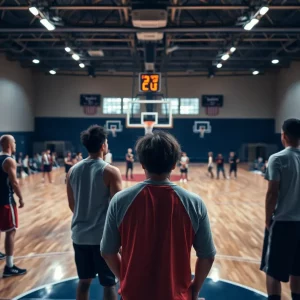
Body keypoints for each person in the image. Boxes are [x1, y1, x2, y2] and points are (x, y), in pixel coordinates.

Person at [101, 131, 216, 300]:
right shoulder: (194, 203)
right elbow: (207, 256)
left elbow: (107, 251)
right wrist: (195, 290)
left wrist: (125, 277)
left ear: (142, 164)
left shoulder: (120, 201)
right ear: (174, 165)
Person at [67, 125, 122, 300]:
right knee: (109, 284)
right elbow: (117, 209)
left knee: (84, 282)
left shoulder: (72, 170)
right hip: (102, 238)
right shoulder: (111, 171)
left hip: (79, 236)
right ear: (103, 146)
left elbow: (72, 206)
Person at [260, 118, 300, 300]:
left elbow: (272, 193)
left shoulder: (277, 158)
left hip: (283, 222)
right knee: (297, 269)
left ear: (283, 135)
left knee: (273, 270)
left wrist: (268, 219)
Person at [0, 135, 26, 277]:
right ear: (9, 144)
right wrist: (21, 198)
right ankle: (9, 266)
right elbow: (14, 183)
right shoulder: (9, 161)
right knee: (11, 231)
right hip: (6, 201)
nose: (16, 144)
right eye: (14, 142)